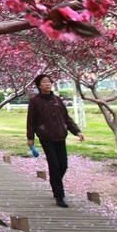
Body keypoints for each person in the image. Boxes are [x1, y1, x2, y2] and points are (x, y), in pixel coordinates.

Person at [26, 73, 85, 207]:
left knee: (63, 165)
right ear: (39, 86)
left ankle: (55, 182)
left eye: (49, 82)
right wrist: (30, 138)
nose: (48, 84)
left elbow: (66, 118)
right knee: (54, 165)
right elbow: (31, 121)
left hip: (60, 135)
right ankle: (59, 196)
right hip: (45, 136)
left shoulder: (57, 100)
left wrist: (77, 131)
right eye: (44, 82)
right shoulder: (35, 101)